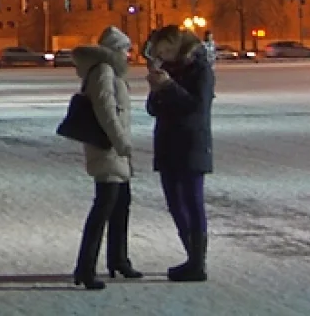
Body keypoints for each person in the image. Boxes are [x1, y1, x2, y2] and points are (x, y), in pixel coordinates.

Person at [70, 26, 141, 290]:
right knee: (103, 208)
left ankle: (118, 259)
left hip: (114, 149)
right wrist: (120, 142)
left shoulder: (111, 72)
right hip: (107, 147)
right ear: (114, 50)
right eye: (125, 49)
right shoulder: (104, 71)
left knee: (121, 204)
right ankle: (85, 267)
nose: (128, 55)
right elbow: (106, 111)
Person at [146, 25, 215, 283]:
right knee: (175, 203)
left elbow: (197, 107)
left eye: (163, 49)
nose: (160, 55)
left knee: (192, 201)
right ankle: (191, 258)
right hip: (168, 142)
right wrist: (157, 90)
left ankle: (197, 262)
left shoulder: (201, 69)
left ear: (176, 45)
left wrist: (168, 86)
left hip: (191, 144)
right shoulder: (169, 69)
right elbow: (153, 109)